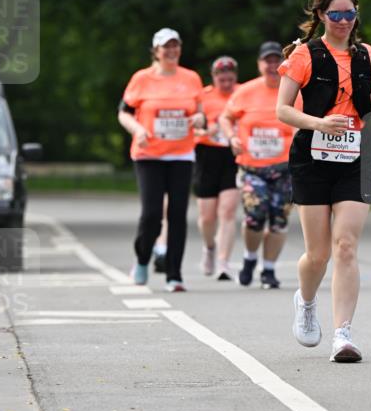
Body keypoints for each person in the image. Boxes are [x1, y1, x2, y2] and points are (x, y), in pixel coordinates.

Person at [276, 0, 371, 362]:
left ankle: (342, 335)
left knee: (346, 246)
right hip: (312, 158)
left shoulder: (368, 55)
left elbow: (369, 99)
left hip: (356, 157)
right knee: (318, 254)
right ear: (321, 15)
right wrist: (319, 123)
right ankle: (305, 302)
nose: (343, 21)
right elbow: (282, 109)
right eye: (335, 15)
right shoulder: (303, 55)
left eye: (349, 13)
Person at [118, 28, 204, 292]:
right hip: (149, 154)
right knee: (152, 214)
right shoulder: (141, 79)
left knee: (177, 214)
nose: (171, 51)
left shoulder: (191, 78)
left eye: (175, 45)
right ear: (156, 51)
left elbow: (200, 113)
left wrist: (199, 119)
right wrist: (138, 130)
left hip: (181, 154)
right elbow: (123, 113)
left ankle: (174, 275)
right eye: (166, 46)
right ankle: (143, 259)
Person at [219, 41, 296, 289]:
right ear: (259, 64)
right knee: (255, 215)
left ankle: (269, 269)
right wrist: (231, 137)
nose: (272, 66)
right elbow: (225, 117)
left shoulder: (295, 90)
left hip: (285, 168)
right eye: (267, 61)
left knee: (278, 220)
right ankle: (250, 258)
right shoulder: (245, 92)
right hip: (252, 168)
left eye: (277, 61)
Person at [194, 56, 241, 280]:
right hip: (207, 155)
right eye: (222, 80)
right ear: (214, 78)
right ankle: (209, 248)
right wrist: (206, 131)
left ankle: (223, 262)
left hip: (233, 155)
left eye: (230, 79)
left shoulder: (243, 93)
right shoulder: (203, 96)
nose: (226, 84)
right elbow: (191, 127)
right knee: (207, 216)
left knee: (228, 211)